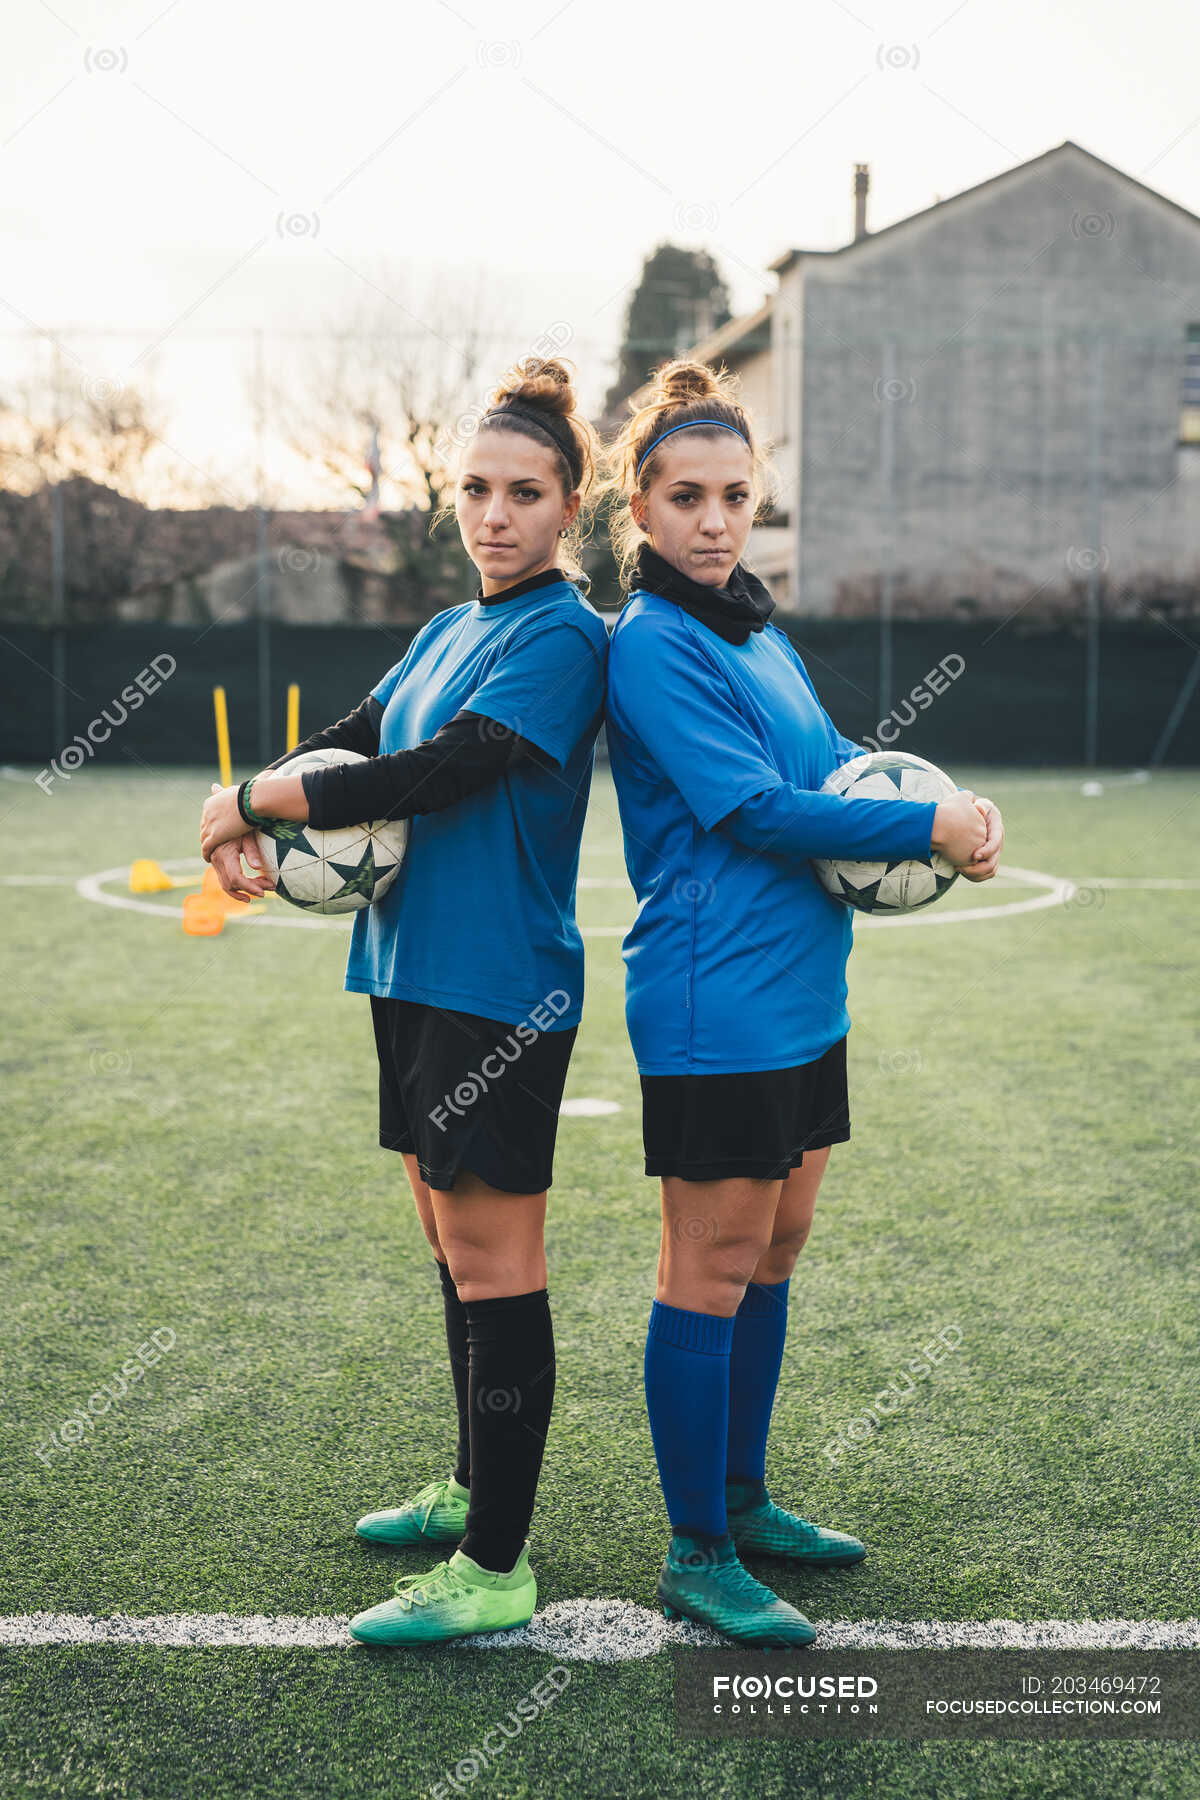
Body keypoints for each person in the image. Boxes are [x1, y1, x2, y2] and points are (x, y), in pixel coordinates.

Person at [200, 358, 609, 1646]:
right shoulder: (449, 627)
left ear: (569, 508)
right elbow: (360, 731)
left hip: (501, 990)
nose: (495, 514)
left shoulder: (564, 637)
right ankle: (474, 1485)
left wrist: (263, 803)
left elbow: (450, 769)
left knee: (497, 1259)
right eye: (477, 489)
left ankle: (496, 1567)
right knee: (448, 1241)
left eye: (526, 493)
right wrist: (254, 798)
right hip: (407, 970)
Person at [600, 359, 1003, 1647]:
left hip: (806, 998)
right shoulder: (652, 644)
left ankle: (748, 1501)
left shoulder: (752, 629)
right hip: (712, 1003)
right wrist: (923, 823)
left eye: (735, 496)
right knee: (707, 1271)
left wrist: (947, 805)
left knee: (774, 1255)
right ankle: (695, 1549)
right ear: (640, 509)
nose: (715, 522)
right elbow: (753, 809)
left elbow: (830, 761)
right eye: (685, 498)